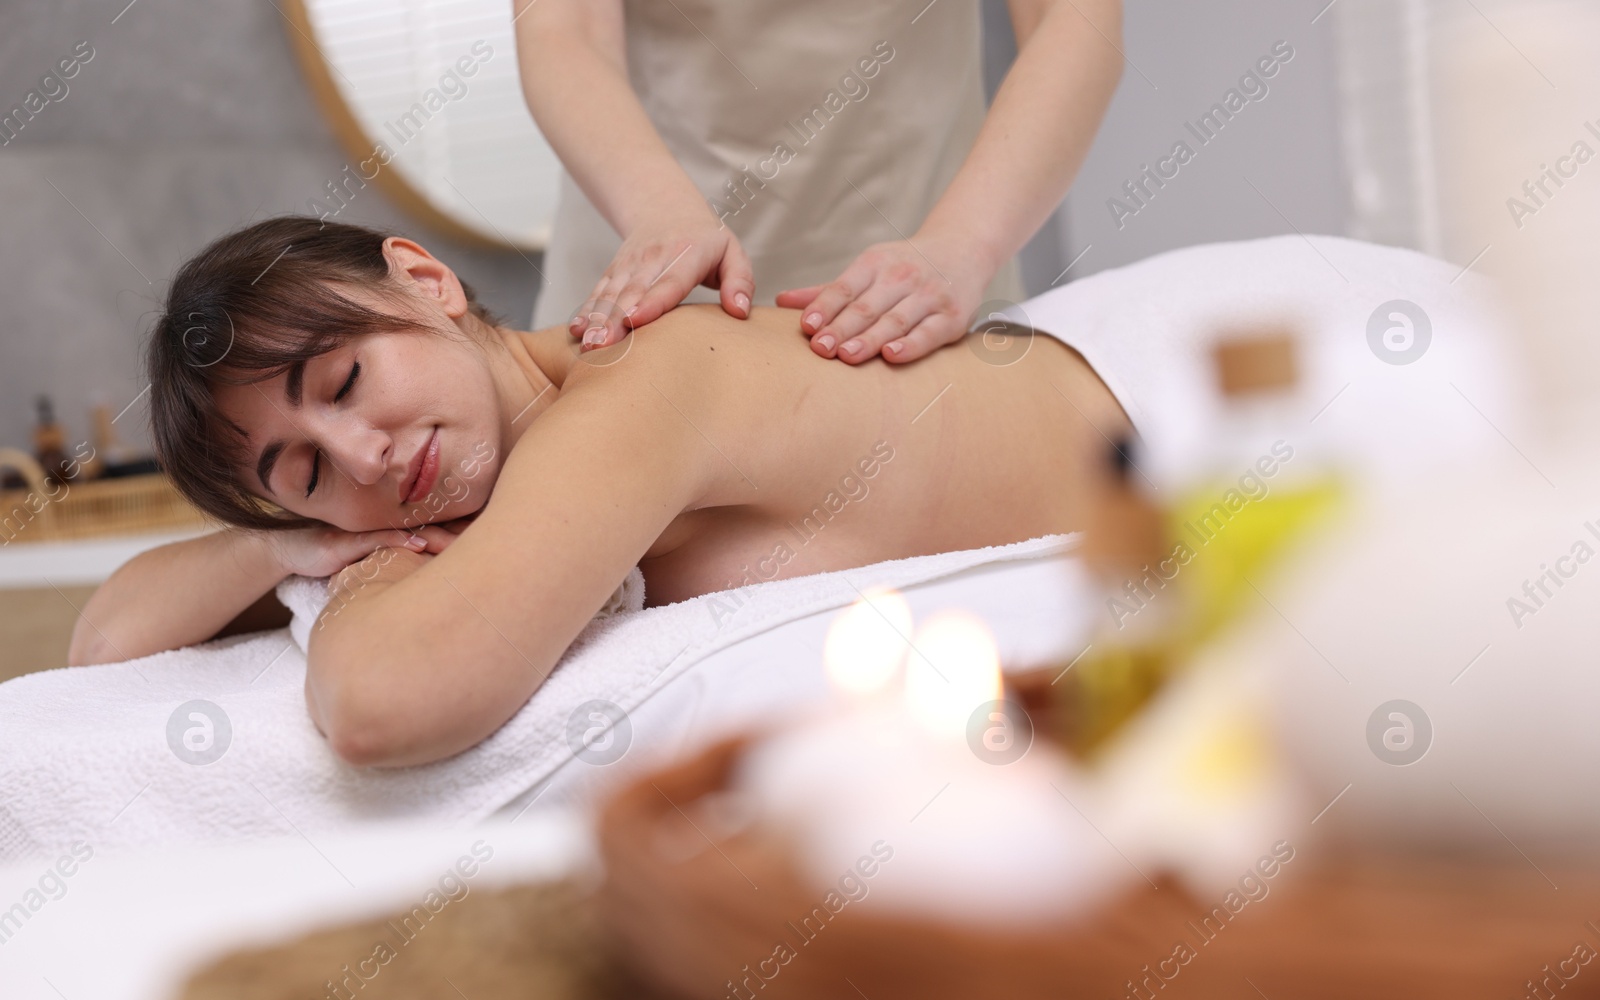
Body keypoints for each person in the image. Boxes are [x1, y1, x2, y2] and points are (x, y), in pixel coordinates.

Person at [70, 216, 1129, 767]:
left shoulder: (636, 381)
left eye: (345, 381)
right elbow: (104, 643)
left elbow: (382, 705)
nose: (364, 458)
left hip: (1163, 391)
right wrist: (273, 549)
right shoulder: (444, 479)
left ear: (428, 282)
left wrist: (370, 573)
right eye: (304, 472)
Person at [513, 0, 1122, 365]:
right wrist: (658, 210)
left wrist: (967, 241)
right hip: (647, 249)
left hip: (922, 274)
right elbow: (565, 30)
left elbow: (1073, 22)